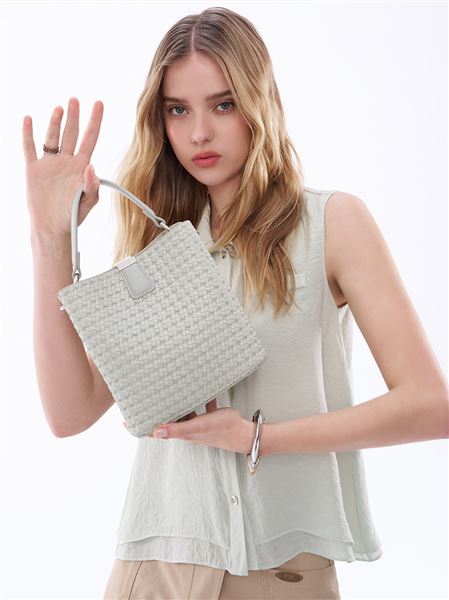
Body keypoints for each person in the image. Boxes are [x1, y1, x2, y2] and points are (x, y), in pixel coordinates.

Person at [23, 6, 448, 600]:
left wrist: (257, 437)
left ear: (259, 102)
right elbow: (70, 413)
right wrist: (49, 238)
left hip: (283, 573)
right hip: (155, 569)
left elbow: (431, 407)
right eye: (178, 109)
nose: (199, 132)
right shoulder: (157, 243)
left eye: (222, 105)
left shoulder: (334, 224)